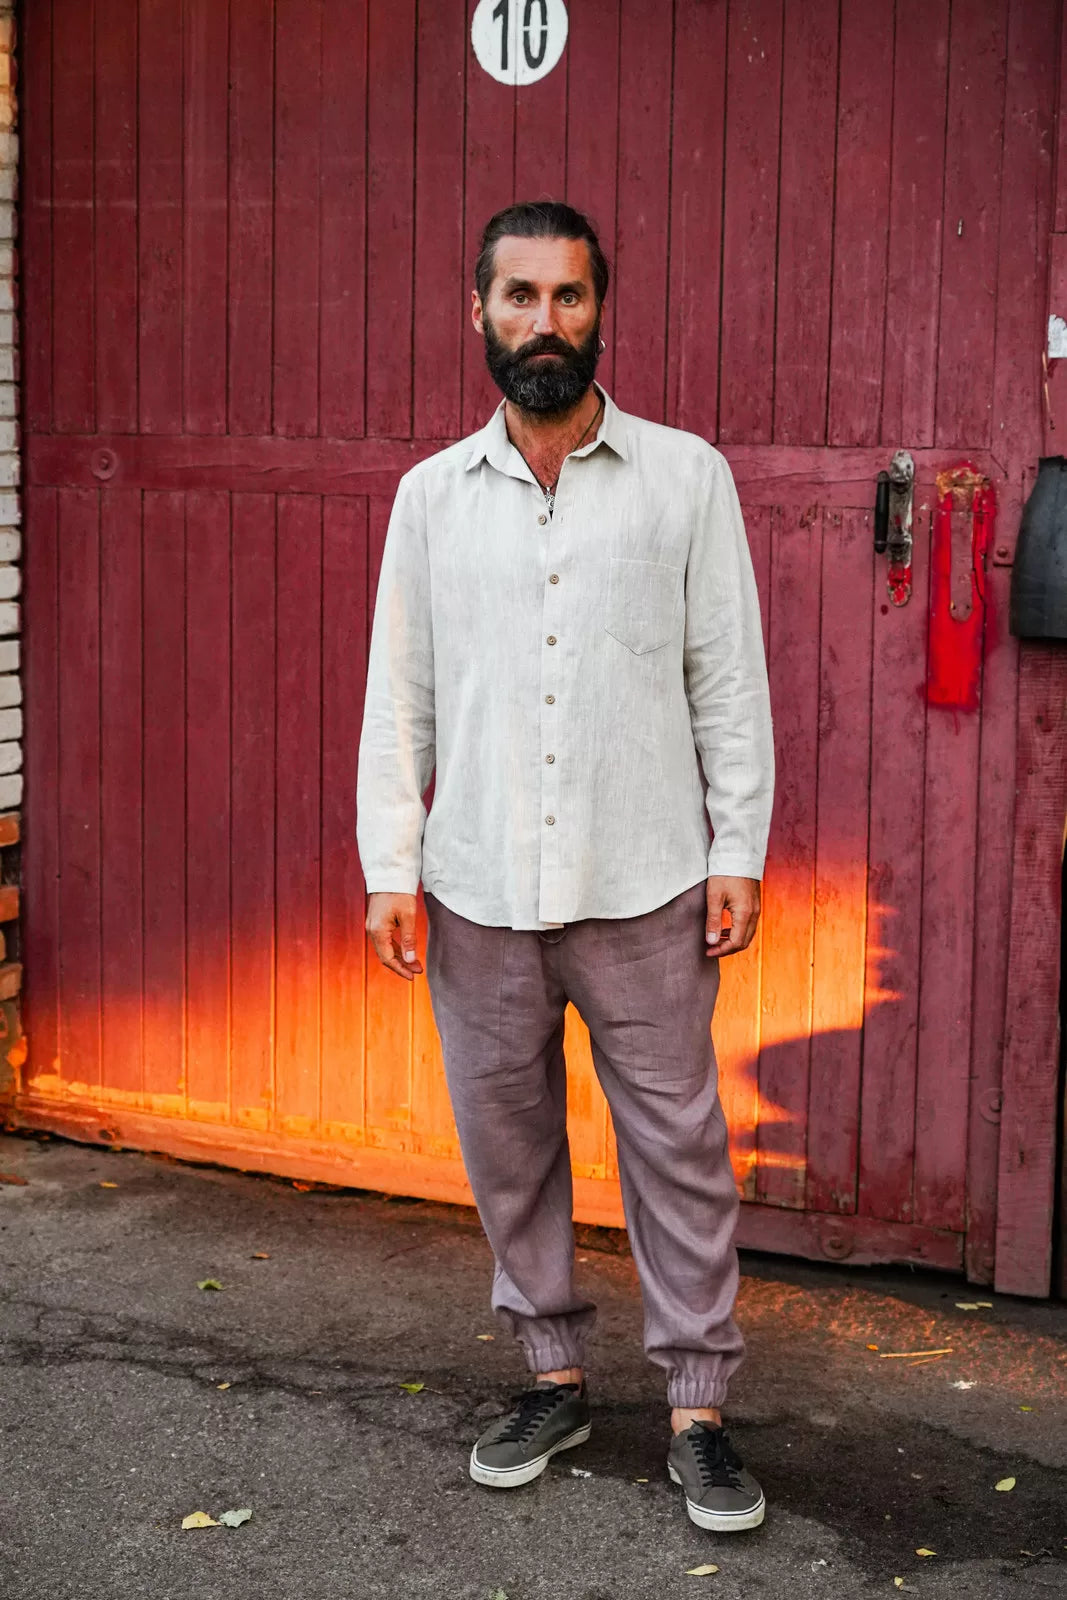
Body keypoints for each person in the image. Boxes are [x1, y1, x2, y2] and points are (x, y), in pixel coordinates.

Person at [357, 201, 774, 1534]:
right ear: (477, 312)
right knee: (510, 1149)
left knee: (679, 1151)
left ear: (603, 309)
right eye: (521, 296)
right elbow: (398, 699)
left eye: (570, 297)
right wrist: (391, 864)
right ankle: (552, 1372)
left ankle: (699, 1407)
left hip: (644, 874)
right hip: (479, 884)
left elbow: (730, 677)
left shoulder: (684, 478)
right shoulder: (430, 499)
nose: (547, 322)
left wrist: (738, 847)